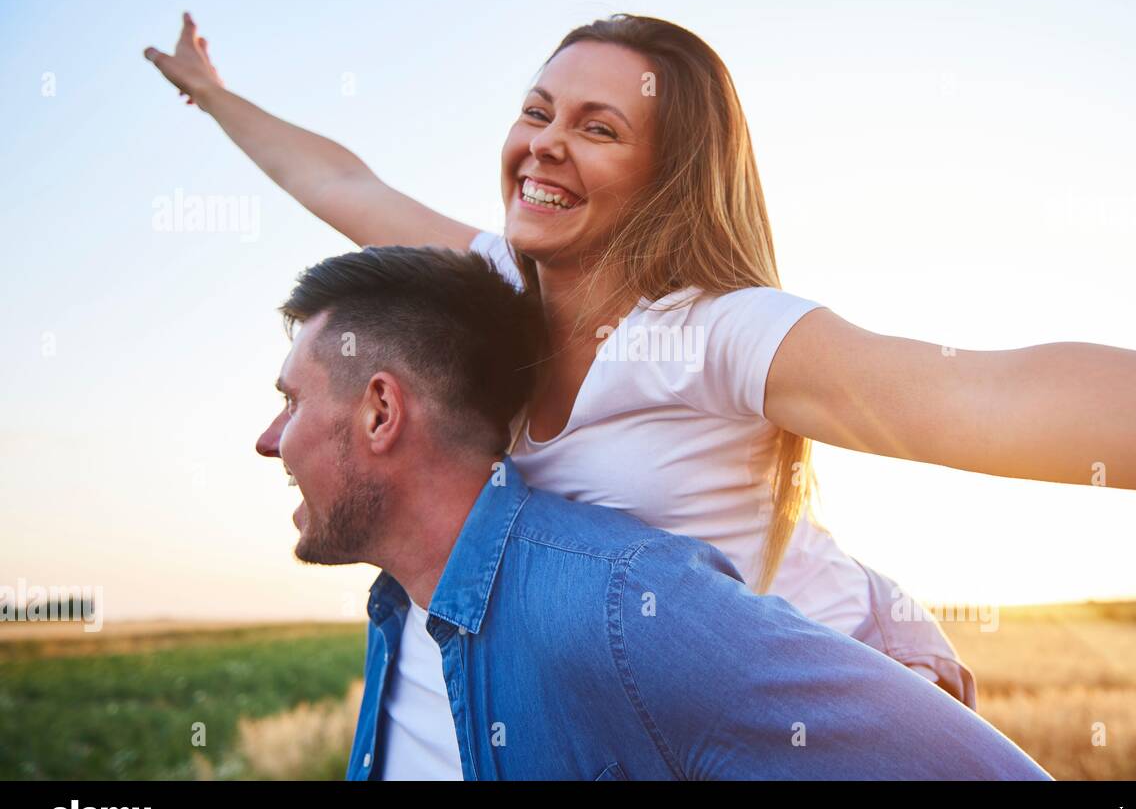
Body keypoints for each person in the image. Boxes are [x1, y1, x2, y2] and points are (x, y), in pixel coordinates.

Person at [149, 11, 1136, 772]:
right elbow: (344, 182)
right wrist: (212, 96)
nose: (544, 145)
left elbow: (986, 398)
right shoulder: (494, 287)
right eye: (537, 109)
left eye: (598, 128)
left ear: (667, 172)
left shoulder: (713, 335)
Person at [255, 244, 1052, 780]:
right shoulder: (399, 608)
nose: (269, 440)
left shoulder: (623, 606)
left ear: (381, 411)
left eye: (290, 402)